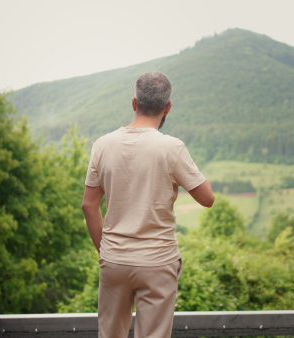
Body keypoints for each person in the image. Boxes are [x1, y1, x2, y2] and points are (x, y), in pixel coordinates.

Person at [82, 70, 214, 338]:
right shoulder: (172, 148)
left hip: (114, 258)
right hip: (157, 261)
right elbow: (207, 198)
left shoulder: (102, 145)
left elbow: (89, 205)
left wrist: (105, 249)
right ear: (168, 107)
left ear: (134, 103)